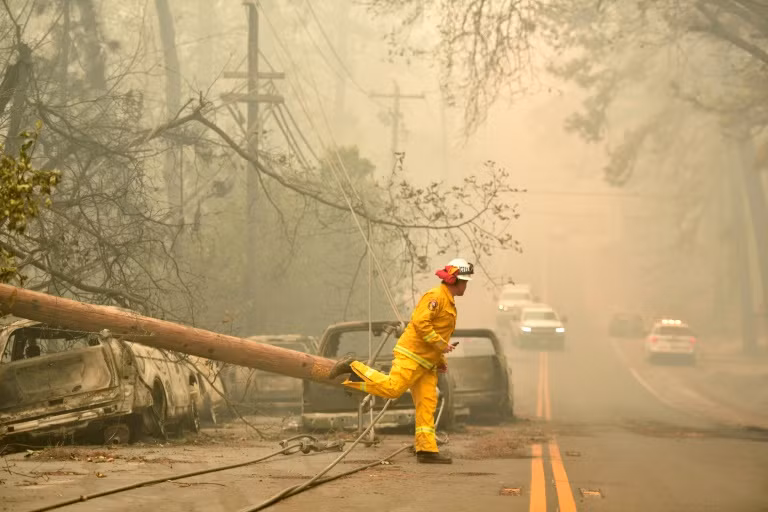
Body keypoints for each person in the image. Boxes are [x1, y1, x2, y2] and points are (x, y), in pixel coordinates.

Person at [329, 257, 474, 464]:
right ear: (454, 281)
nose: (466, 286)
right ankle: (352, 365)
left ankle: (426, 450)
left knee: (427, 404)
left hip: (427, 363)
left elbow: (438, 333)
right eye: (464, 282)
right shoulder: (435, 297)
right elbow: (421, 323)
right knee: (392, 389)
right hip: (411, 355)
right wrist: (441, 345)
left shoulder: (448, 301)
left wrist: (440, 359)